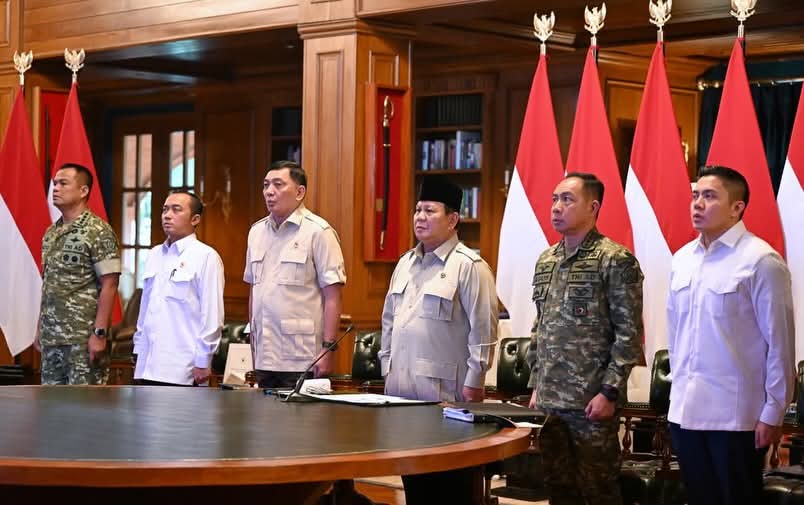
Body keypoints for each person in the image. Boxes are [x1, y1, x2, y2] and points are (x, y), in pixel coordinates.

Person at [666, 166, 795, 505]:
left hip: (736, 417)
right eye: (695, 195)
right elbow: (676, 336)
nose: (698, 203)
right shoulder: (682, 260)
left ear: (737, 207)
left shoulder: (761, 260)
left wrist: (774, 410)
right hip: (685, 412)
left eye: (709, 196)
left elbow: (780, 344)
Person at [379, 176, 498, 505]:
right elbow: (388, 320)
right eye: (417, 210)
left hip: (445, 396)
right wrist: (386, 367)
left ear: (453, 219)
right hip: (401, 395)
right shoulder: (405, 263)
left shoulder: (469, 266)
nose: (420, 217)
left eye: (430, 211)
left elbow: (484, 329)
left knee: (449, 488)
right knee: (414, 485)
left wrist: (475, 382)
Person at [526, 172, 643, 505]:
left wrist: (609, 391)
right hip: (550, 401)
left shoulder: (615, 259)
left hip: (591, 402)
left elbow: (629, 333)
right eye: (554, 199)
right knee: (559, 489)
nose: (557, 207)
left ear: (593, 207)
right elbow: (541, 327)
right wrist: (537, 384)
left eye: (567, 199)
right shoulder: (546, 260)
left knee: (597, 491)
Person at [244, 160, 346, 389]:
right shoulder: (256, 232)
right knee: (262, 412)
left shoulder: (319, 232)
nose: (269, 191)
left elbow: (333, 296)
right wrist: (252, 344)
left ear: (300, 192)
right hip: (264, 353)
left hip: (302, 356)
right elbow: (254, 291)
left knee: (299, 413)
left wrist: (328, 349)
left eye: (278, 185)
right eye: (266, 185)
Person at [36, 163, 121, 385]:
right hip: (52, 337)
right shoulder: (51, 232)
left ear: (83, 191)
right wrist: (40, 327)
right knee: (50, 404)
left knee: (83, 403)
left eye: (63, 183)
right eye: (55, 183)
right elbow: (49, 284)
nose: (56, 188)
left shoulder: (99, 231)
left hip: (82, 339)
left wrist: (99, 334)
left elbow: (110, 285)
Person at [132, 191, 224, 386]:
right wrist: (138, 350)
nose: (167, 215)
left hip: (183, 367)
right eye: (165, 209)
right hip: (148, 363)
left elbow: (212, 315)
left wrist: (203, 360)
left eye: (176, 210)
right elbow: (145, 309)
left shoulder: (206, 256)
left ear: (195, 219)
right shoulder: (154, 254)